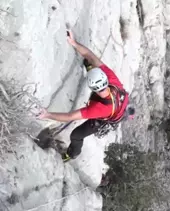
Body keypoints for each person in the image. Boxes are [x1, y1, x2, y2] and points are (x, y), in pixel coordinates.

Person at [38, 30, 134, 162]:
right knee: (90, 62)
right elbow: (91, 56)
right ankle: (90, 69)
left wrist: (47, 115)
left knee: (76, 135)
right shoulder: (112, 80)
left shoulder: (99, 109)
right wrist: (73, 43)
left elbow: (70, 116)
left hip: (105, 117)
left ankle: (72, 154)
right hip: (117, 102)